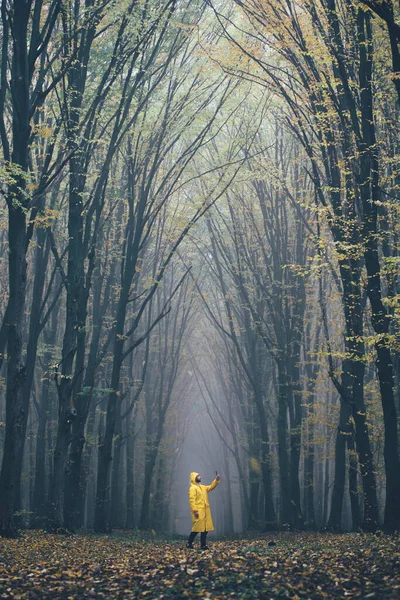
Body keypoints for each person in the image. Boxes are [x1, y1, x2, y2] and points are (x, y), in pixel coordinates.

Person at [187, 471, 220, 550]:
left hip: (205, 511)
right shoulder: (193, 488)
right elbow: (192, 500)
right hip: (198, 511)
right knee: (196, 528)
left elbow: (210, 487)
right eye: (198, 476)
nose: (200, 477)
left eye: (200, 476)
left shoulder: (202, 487)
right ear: (194, 478)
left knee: (205, 529)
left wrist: (216, 480)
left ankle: (203, 545)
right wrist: (195, 510)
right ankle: (189, 543)